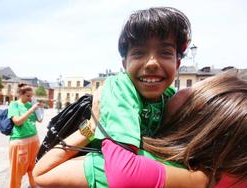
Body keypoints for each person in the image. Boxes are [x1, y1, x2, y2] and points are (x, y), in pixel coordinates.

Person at [33, 7, 209, 187]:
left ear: (177, 63)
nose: (152, 63)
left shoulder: (169, 97)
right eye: (139, 53)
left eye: (165, 52)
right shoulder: (120, 87)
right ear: (125, 63)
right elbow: (124, 172)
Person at [101, 69, 247, 187]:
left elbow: (124, 175)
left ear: (198, 108)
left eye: (191, 88)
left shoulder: (138, 162)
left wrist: (198, 180)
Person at [8, 83, 43, 188]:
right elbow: (17, 121)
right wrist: (31, 110)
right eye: (28, 96)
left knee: (34, 168)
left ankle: (34, 185)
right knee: (17, 171)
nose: (30, 98)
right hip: (20, 141)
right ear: (21, 94)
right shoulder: (14, 105)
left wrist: (39, 109)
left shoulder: (30, 104)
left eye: (31, 96)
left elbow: (40, 120)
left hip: (34, 140)